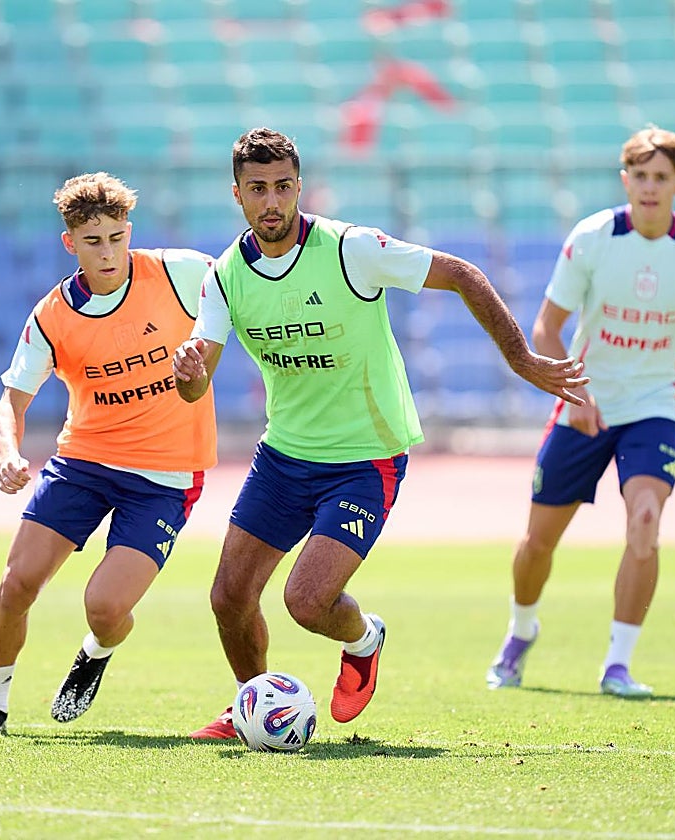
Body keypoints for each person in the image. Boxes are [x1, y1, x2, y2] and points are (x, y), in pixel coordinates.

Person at [171, 127, 587, 738]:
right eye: (257, 189)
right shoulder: (226, 277)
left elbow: (464, 275)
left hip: (365, 458)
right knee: (228, 598)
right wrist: (186, 373)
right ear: (237, 194)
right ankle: (251, 706)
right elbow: (196, 378)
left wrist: (521, 358)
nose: (272, 202)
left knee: (306, 602)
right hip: (284, 457)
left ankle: (365, 640)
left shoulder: (350, 249)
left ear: (299, 187)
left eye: (283, 186)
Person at [0, 172, 217, 735]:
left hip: (166, 476)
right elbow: (9, 403)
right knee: (16, 585)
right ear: (70, 243)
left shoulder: (178, 272)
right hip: (84, 464)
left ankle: (95, 652)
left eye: (117, 237)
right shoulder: (50, 316)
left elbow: (246, 294)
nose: (109, 252)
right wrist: (9, 455)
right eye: (94, 241)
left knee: (105, 607)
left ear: (130, 232)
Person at [485, 126, 675, 698]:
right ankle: (520, 633)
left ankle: (618, 665)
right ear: (625, 180)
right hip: (585, 403)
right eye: (641, 176)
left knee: (646, 522)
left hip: (655, 407)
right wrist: (575, 396)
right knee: (537, 544)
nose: (650, 188)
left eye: (662, 177)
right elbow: (547, 328)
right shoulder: (593, 237)